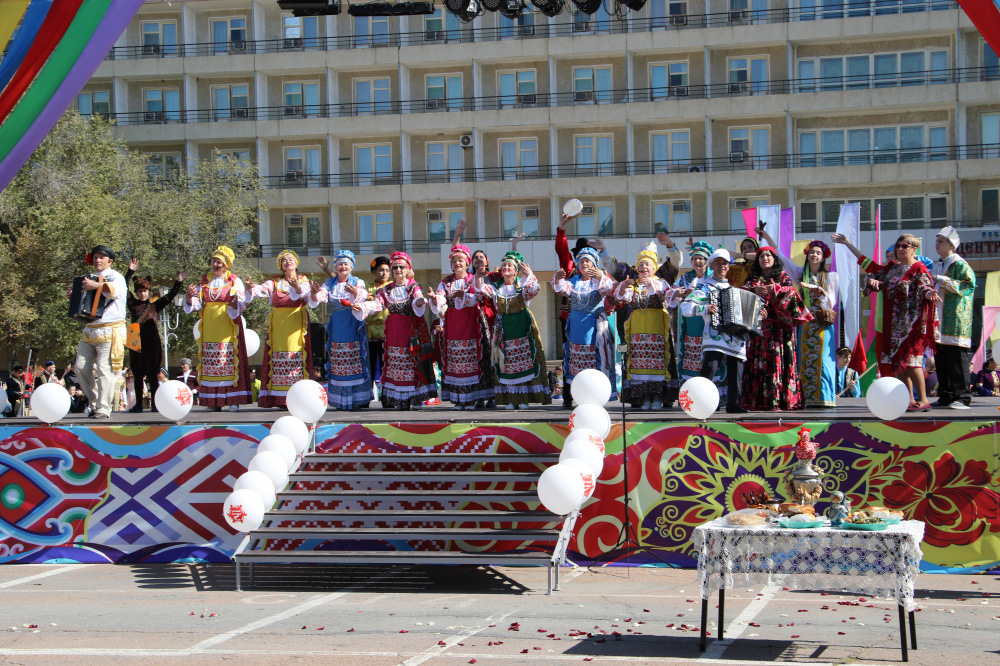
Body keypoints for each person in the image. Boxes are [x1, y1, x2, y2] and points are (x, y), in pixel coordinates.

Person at [833, 233, 939, 412]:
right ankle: (910, 399)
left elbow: (925, 287)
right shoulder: (892, 268)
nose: (900, 249)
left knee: (913, 362)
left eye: (905, 246)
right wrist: (848, 245)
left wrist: (929, 294)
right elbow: (871, 269)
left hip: (910, 325)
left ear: (914, 249)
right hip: (892, 324)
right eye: (898, 246)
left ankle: (923, 399)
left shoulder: (919, 268)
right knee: (899, 363)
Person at [760, 231, 840, 408]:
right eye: (812, 252)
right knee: (805, 359)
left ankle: (825, 398)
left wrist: (821, 294)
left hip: (822, 322)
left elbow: (831, 303)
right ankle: (808, 398)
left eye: (818, 253)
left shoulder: (831, 276)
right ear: (807, 255)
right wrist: (768, 238)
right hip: (805, 323)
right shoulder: (800, 274)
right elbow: (782, 259)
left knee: (824, 361)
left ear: (823, 257)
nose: (814, 255)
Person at [613, 242, 686, 410]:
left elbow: (669, 296)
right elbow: (621, 298)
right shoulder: (634, 285)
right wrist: (624, 286)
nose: (643, 266)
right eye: (640, 264)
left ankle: (659, 397)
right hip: (638, 331)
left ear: (654, 268)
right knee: (640, 364)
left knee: (658, 362)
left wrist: (677, 293)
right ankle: (645, 397)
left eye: (647, 264)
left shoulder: (660, 284)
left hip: (656, 329)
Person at [246, 250, 322, 409]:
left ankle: (298, 396)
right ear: (280, 265)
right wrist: (251, 287)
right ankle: (279, 399)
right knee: (277, 356)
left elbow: (307, 295)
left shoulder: (303, 280)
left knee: (296, 356)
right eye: (284, 260)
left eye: (290, 259)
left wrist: (298, 288)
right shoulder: (274, 282)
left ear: (296, 262)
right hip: (279, 325)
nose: (287, 262)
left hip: (295, 324)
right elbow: (260, 291)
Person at [475, 251, 551, 409]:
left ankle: (523, 400)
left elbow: (533, 290)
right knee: (505, 363)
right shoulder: (496, 288)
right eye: (504, 265)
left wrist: (529, 274)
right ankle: (511, 399)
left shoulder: (522, 285)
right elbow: (481, 290)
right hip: (504, 330)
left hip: (522, 329)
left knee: (523, 363)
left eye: (509, 265)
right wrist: (477, 276)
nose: (506, 267)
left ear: (516, 270)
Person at [741, 246, 813, 411]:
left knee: (778, 361)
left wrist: (775, 291)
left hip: (779, 330)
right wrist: (754, 291)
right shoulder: (752, 279)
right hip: (758, 331)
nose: (765, 258)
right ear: (757, 261)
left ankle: (781, 401)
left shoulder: (782, 276)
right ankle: (758, 401)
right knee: (758, 364)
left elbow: (792, 295)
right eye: (761, 256)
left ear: (774, 259)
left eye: (768, 255)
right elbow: (741, 296)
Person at [184, 245, 252, 411]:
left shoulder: (234, 281)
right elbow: (197, 303)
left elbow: (243, 302)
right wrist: (187, 298)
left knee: (227, 363)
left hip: (227, 328)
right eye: (213, 261)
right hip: (210, 329)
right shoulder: (205, 282)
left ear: (226, 264)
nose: (215, 265)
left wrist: (236, 304)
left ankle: (232, 401)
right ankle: (213, 402)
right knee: (210, 364)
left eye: (219, 262)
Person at [681, 249, 748, 413]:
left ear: (729, 266)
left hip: (734, 337)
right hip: (714, 336)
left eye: (725, 263)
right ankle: (698, 403)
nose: (722, 266)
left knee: (737, 368)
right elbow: (686, 307)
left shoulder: (735, 290)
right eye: (718, 262)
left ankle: (734, 404)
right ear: (711, 265)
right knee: (710, 367)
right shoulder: (705, 287)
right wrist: (705, 308)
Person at [430, 244, 495, 410]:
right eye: (454, 260)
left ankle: (474, 398)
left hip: (473, 324)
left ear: (467, 263)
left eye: (460, 260)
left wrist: (465, 296)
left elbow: (482, 295)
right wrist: (435, 299)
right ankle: (460, 399)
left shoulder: (474, 279)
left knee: (476, 360)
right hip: (454, 326)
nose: (457, 263)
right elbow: (441, 299)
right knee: (456, 361)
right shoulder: (445, 282)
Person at [552, 245, 618, 409]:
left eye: (588, 261)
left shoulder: (599, 281)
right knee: (574, 359)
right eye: (581, 261)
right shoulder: (574, 281)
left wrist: (601, 275)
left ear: (594, 264)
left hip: (593, 326)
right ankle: (574, 394)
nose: (584, 264)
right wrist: (560, 279)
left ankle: (595, 394)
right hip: (576, 326)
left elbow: (609, 288)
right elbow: (562, 289)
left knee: (595, 359)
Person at [372, 251, 438, 409]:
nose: (398, 270)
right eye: (394, 267)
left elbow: (418, 298)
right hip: (394, 332)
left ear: (408, 269)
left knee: (412, 363)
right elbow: (377, 304)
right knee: (395, 363)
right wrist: (362, 305)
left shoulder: (413, 287)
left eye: (401, 267)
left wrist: (422, 301)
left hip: (410, 332)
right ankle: (400, 399)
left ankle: (415, 398)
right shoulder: (387, 290)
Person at [70, 244, 128, 419]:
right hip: (89, 329)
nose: (97, 260)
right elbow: (85, 299)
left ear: (109, 261)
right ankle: (95, 401)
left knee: (105, 370)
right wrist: (74, 295)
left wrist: (94, 285)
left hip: (110, 330)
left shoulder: (116, 276)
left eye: (101, 257)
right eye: (95, 257)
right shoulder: (88, 278)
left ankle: (103, 408)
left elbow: (112, 292)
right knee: (80, 367)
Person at [123, 258, 186, 412]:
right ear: (136, 292)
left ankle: (155, 405)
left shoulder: (154, 305)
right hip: (135, 340)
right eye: (139, 291)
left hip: (152, 342)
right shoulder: (132, 304)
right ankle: (138, 404)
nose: (142, 293)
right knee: (137, 375)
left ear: (149, 291)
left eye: (144, 291)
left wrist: (178, 282)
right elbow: (123, 287)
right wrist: (130, 272)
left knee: (153, 374)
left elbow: (170, 296)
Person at [315, 250, 375, 411]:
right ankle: (341, 400)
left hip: (354, 326)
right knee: (338, 361)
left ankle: (358, 399)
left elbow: (363, 294)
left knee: (356, 360)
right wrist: (314, 294)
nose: (343, 266)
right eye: (340, 263)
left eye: (346, 263)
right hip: (337, 329)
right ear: (335, 266)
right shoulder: (329, 283)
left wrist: (356, 293)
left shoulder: (357, 281)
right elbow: (320, 296)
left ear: (352, 266)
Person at [674, 241, 728, 399]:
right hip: (690, 324)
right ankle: (693, 395)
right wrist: (680, 293)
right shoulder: (685, 279)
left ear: (707, 261)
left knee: (711, 359)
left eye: (702, 258)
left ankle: (713, 396)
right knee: (691, 358)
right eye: (695, 258)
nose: (698, 261)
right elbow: (672, 295)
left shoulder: (713, 279)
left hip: (709, 325)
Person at [932, 226, 976, 410]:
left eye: (941, 241)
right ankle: (946, 395)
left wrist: (942, 280)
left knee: (957, 360)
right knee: (942, 359)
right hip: (939, 320)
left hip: (955, 319)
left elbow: (968, 285)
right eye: (937, 241)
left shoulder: (959, 264)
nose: (937, 244)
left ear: (951, 244)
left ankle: (963, 397)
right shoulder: (938, 264)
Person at [365, 256, 391, 399]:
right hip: (369, 333)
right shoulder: (367, 287)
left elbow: (410, 275)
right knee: (368, 367)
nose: (384, 273)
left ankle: (387, 398)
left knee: (385, 366)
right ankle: (365, 398)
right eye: (381, 270)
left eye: (387, 270)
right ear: (374, 271)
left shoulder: (392, 286)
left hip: (386, 332)